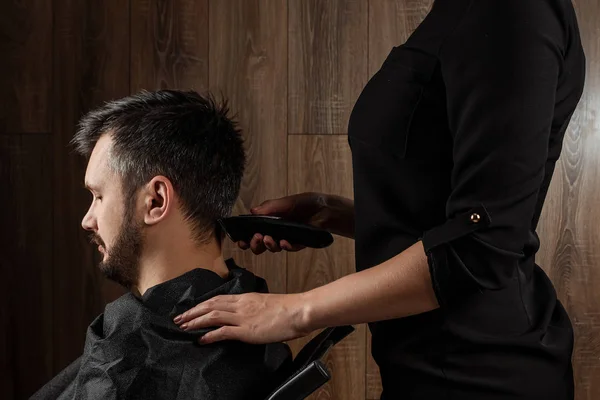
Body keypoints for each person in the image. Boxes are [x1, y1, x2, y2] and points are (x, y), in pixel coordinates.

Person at [173, 1, 587, 399]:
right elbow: (447, 219)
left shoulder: (511, 9)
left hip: (480, 372)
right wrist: (329, 213)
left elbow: (481, 245)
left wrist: (294, 312)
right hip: (425, 364)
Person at [31, 90, 292, 400]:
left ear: (155, 201)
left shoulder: (127, 357)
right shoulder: (255, 322)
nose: (88, 219)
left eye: (99, 196)